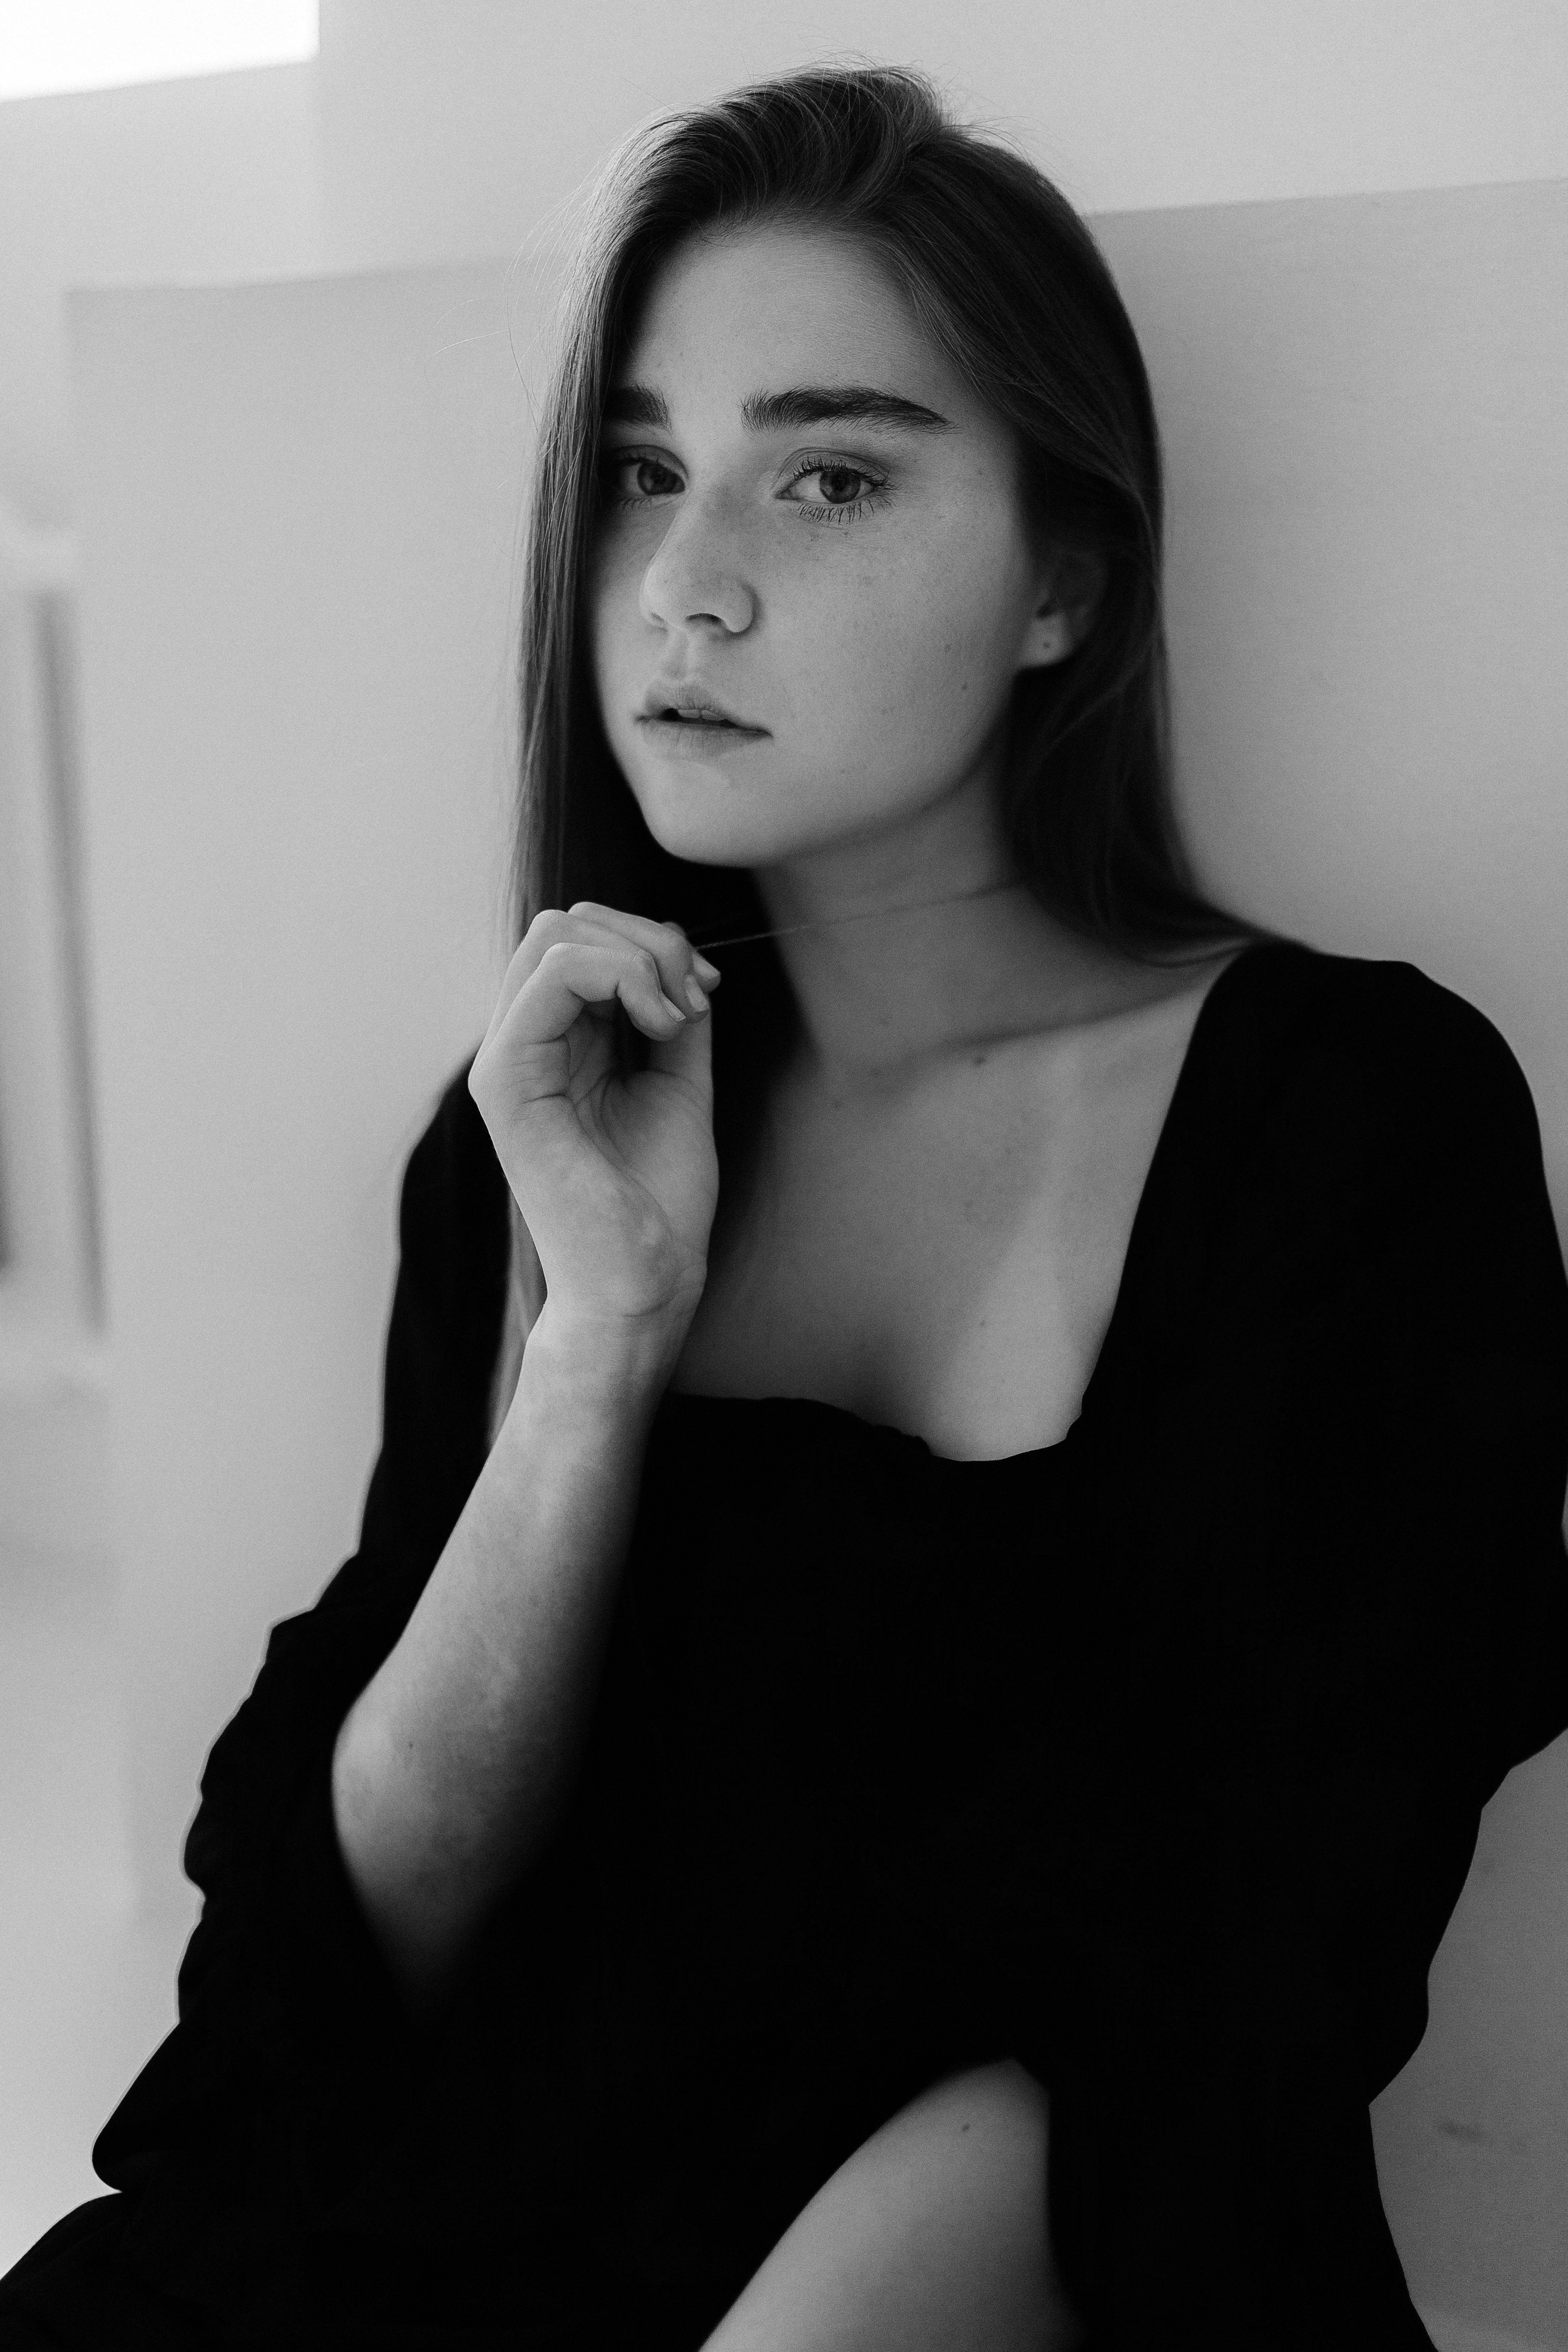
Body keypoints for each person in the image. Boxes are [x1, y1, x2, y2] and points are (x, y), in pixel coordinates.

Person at [3, 60, 1565, 2352]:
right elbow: (359, 1950)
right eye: (642, 476)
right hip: (404, 2257)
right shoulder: (537, 1141)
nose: (690, 586)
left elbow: (1245, 1988)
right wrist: (596, 1349)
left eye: (828, 474)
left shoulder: (1357, 1118)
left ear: (1066, 576)